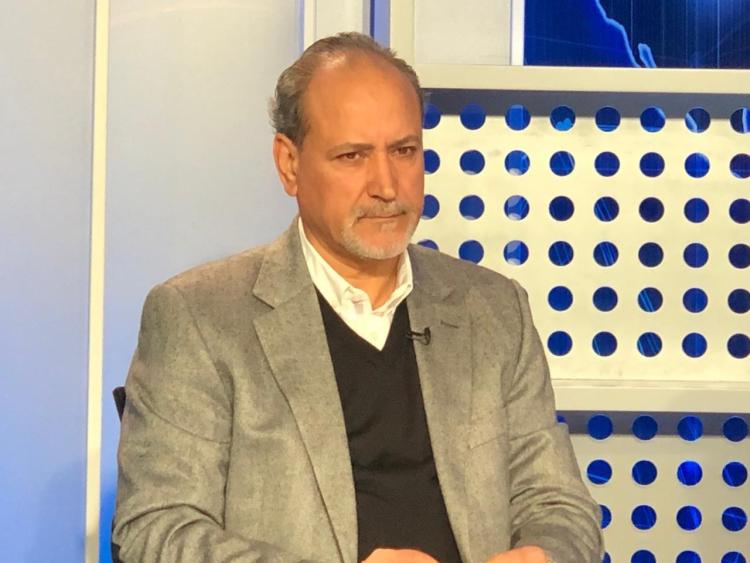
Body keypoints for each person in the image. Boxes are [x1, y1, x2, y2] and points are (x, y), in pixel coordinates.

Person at [113, 32, 603, 563]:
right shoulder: (199, 317)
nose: (387, 186)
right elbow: (155, 531)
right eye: (352, 156)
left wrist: (541, 555)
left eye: (404, 151)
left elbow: (560, 505)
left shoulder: (493, 308)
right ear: (289, 164)